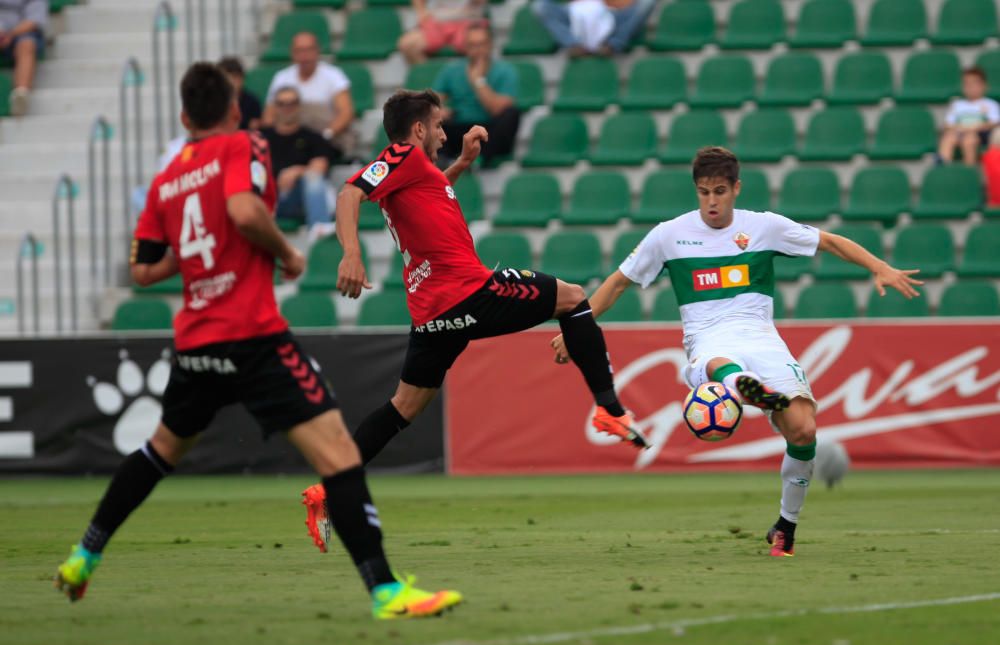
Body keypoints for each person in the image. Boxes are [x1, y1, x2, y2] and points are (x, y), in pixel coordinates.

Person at [54, 64, 461, 620]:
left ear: (183, 117)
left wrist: (198, 255)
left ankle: (84, 554)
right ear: (231, 113)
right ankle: (386, 591)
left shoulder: (166, 179)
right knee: (340, 455)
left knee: (160, 451)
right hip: (251, 334)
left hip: (196, 341)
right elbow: (245, 212)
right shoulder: (240, 146)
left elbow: (145, 271)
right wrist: (286, 253)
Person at [299, 89, 647, 549]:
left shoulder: (416, 172)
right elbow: (348, 193)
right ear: (419, 128)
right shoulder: (401, 154)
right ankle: (609, 409)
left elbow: (429, 197)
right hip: (466, 292)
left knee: (404, 407)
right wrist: (350, 252)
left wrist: (461, 164)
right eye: (440, 126)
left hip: (431, 311)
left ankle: (327, 489)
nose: (445, 134)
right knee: (574, 297)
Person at [550, 147, 923, 557]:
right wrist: (576, 330)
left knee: (804, 430)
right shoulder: (669, 234)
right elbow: (618, 283)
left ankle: (786, 526)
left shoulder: (763, 228)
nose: (712, 201)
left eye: (721, 191)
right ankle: (738, 386)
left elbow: (829, 242)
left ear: (736, 188)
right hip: (708, 338)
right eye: (704, 192)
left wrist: (879, 267)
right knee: (717, 364)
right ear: (696, 190)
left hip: (762, 338)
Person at [433, 22, 519, 168]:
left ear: (490, 45)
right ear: (465, 47)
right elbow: (432, 101)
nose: (478, 49)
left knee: (511, 114)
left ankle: (480, 161)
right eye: (473, 45)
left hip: (489, 133)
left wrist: (478, 81)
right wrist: (439, 111)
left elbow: (498, 109)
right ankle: (444, 160)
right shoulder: (451, 70)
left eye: (482, 44)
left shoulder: (505, 71)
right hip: (460, 128)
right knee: (430, 119)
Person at [263, 32, 355, 160]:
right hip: (289, 143)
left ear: (317, 51)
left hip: (323, 142)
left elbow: (346, 113)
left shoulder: (334, 76)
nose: (304, 55)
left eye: (309, 50)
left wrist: (325, 136)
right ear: (292, 53)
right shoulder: (281, 78)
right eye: (299, 50)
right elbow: (269, 118)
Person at [260, 85, 333, 232]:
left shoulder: (313, 137)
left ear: (299, 106)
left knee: (314, 178)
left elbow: (319, 168)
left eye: (292, 103)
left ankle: (320, 232)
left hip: (299, 197)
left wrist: (296, 171)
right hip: (268, 198)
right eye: (282, 104)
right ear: (275, 106)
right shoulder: (260, 138)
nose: (287, 108)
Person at [532, 0, 655, 57]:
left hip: (612, 15)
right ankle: (574, 45)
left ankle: (612, 45)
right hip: (577, 15)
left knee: (647, 2)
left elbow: (624, 3)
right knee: (540, 6)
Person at [938, 66, 1000, 166]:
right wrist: (959, 128)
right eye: (967, 84)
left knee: (969, 140)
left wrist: (975, 128)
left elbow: (994, 122)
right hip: (959, 131)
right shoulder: (957, 105)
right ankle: (943, 167)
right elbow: (948, 124)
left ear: (985, 86)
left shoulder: (990, 104)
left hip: (980, 134)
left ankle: (969, 170)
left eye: (975, 84)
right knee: (948, 137)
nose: (971, 88)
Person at [397, 0, 487, 65]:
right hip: (437, 21)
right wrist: (422, 12)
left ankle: (472, 85)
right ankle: (428, 84)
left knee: (478, 47)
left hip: (468, 20)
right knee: (408, 45)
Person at [0, 0, 47, 116]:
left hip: (20, 35)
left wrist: (9, 34)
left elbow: (33, 21)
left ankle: (21, 94)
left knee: (27, 44)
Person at [218, 56, 262, 130]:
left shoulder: (252, 101)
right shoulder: (215, 102)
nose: (232, 82)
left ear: (242, 78)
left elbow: (255, 126)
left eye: (235, 77)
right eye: (227, 78)